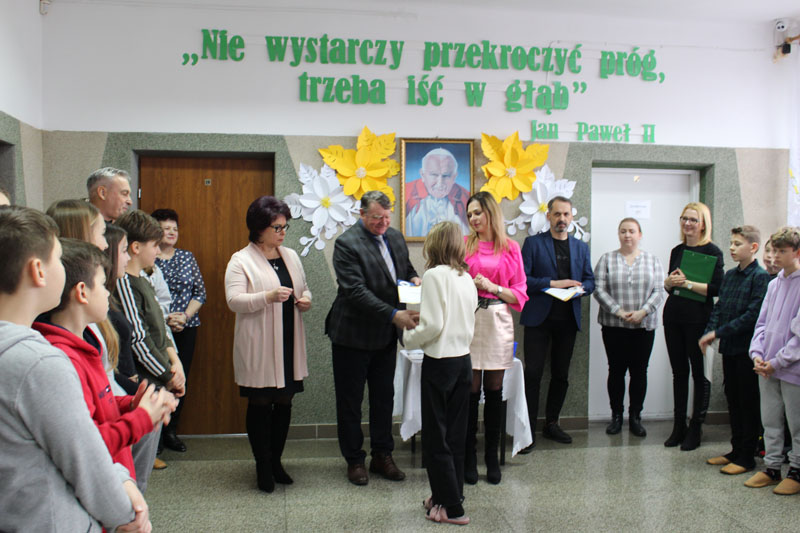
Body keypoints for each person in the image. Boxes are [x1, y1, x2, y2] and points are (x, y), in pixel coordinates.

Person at [0, 206, 150, 532]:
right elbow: (85, 460)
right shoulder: (39, 362)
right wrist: (127, 513)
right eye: (57, 258)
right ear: (38, 271)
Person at [33, 239, 176, 480]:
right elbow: (88, 444)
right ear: (82, 292)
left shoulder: (87, 344)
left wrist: (131, 404)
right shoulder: (63, 359)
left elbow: (98, 405)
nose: (108, 292)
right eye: (102, 285)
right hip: (99, 479)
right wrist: (141, 418)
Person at [327, 190, 421, 486]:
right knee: (351, 402)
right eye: (377, 217)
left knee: (384, 398)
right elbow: (355, 291)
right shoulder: (347, 243)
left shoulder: (395, 237)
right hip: (352, 335)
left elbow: (405, 269)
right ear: (362, 214)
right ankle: (355, 460)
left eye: (387, 217)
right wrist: (394, 315)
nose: (383, 223)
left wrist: (415, 279)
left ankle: (382, 455)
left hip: (384, 336)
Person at [224, 196, 312, 493]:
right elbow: (234, 300)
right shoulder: (241, 260)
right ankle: (262, 464)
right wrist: (267, 297)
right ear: (259, 228)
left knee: (285, 401)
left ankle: (276, 461)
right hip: (258, 344)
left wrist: (306, 299)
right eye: (277, 227)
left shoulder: (290, 255)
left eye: (285, 226)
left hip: (288, 341)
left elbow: (304, 288)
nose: (283, 232)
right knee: (260, 402)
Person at [403, 221, 477, 525]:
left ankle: (453, 509)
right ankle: (446, 496)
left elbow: (433, 326)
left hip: (440, 363)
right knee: (456, 436)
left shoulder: (433, 275)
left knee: (436, 438)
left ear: (433, 245)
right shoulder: (466, 277)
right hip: (463, 361)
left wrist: (408, 337)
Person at [115, 209, 186, 489]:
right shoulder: (125, 282)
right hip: (145, 380)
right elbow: (139, 339)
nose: (158, 251)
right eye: (155, 245)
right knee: (134, 466)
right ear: (135, 248)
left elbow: (161, 328)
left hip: (159, 377)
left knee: (142, 465)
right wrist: (169, 375)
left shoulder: (144, 279)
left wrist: (175, 362)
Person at [462, 191, 528, 485]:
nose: (473, 219)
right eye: (469, 215)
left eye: (477, 212)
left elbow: (520, 293)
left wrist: (492, 286)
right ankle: (468, 456)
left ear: (490, 212)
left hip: (499, 319)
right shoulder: (465, 245)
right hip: (471, 318)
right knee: (470, 390)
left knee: (494, 389)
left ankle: (491, 457)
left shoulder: (511, 247)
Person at [520, 196, 594, 447]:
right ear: (548, 216)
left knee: (561, 374)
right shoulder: (533, 243)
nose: (562, 219)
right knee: (532, 374)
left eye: (566, 214)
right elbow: (523, 281)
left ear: (571, 217)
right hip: (538, 320)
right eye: (557, 214)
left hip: (567, 320)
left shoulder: (581, 248)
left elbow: (590, 281)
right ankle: (527, 431)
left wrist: (581, 289)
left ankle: (551, 423)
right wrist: (554, 283)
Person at [698, 225, 769, 474]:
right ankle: (736, 450)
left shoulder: (760, 277)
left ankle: (747, 456)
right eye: (731, 243)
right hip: (729, 348)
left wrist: (718, 333)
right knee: (734, 399)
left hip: (748, 351)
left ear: (753, 247)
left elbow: (752, 316)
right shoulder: (729, 275)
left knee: (748, 402)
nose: (731, 248)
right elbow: (719, 308)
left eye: (738, 244)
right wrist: (709, 331)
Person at [593, 218, 666, 437]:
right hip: (614, 325)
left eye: (632, 231)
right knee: (616, 371)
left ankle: (635, 417)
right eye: (623, 231)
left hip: (644, 326)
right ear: (618, 234)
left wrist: (643, 311)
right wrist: (618, 311)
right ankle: (616, 416)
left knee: (639, 372)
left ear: (639, 235)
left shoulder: (652, 260)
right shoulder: (607, 259)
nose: (627, 235)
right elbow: (598, 289)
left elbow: (659, 290)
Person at [662, 202, 724, 451]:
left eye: (693, 220)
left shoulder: (713, 251)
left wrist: (687, 284)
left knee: (699, 373)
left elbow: (717, 289)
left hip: (698, 318)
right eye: (684, 219)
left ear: (703, 224)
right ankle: (679, 426)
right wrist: (668, 283)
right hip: (673, 316)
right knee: (679, 372)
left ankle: (696, 427)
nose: (687, 224)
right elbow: (672, 285)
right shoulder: (677, 250)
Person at [744, 227, 800, 495]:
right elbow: (762, 324)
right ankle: (772, 467)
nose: (775, 256)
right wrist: (757, 354)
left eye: (782, 251)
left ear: (797, 252)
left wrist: (778, 361)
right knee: (770, 419)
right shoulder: (774, 284)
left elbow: (798, 337)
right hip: (766, 367)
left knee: (796, 422)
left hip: (792, 368)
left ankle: (797, 470)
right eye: (774, 250)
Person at [152, 208, 207, 453]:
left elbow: (200, 293)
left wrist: (184, 316)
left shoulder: (187, 257)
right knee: (158, 378)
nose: (172, 232)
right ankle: (154, 434)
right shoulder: (149, 257)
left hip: (186, 326)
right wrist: (166, 319)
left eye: (175, 228)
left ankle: (171, 431)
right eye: (166, 228)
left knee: (180, 378)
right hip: (156, 328)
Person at [405, 147, 470, 237]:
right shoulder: (406, 194)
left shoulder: (465, 197)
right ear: (422, 175)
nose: (440, 182)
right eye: (434, 175)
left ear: (454, 177)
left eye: (446, 176)